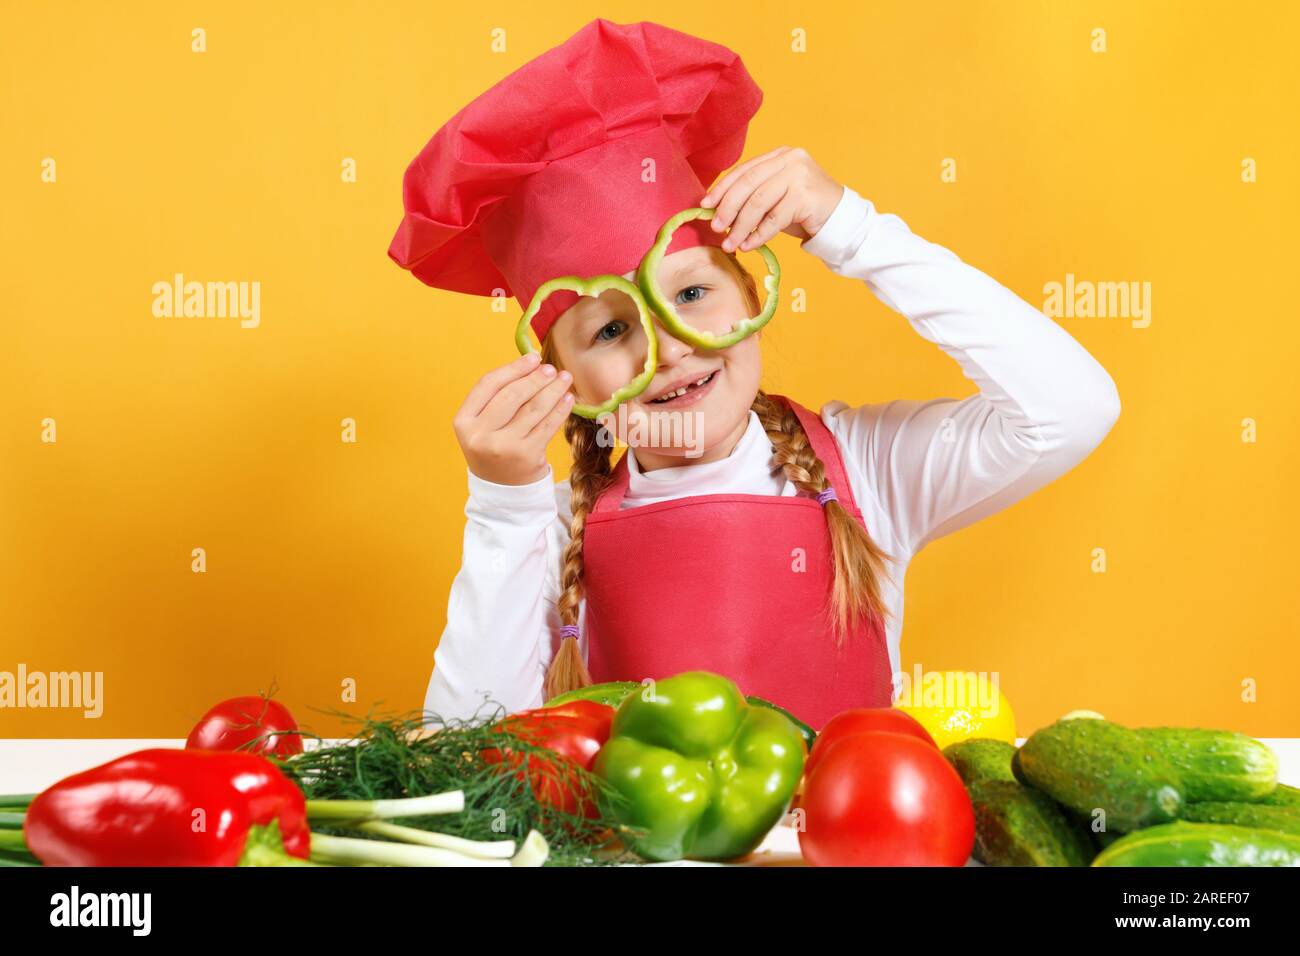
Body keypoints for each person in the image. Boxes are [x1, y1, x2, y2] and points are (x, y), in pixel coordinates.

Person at [389, 19, 1119, 727]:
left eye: (692, 294)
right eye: (611, 329)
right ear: (565, 382)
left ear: (750, 292)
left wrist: (852, 230)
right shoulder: (547, 532)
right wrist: (501, 508)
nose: (670, 348)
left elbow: (1071, 408)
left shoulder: (866, 470)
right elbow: (465, 752)